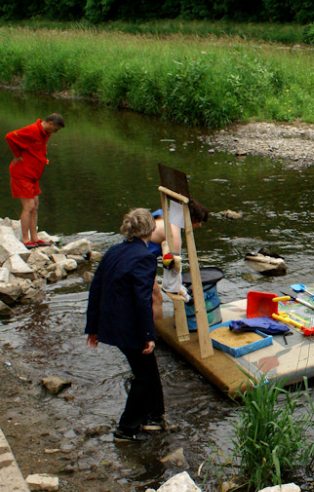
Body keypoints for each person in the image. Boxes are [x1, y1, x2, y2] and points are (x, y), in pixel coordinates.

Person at [85, 209, 167, 442]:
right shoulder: (145, 257)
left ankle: (154, 415)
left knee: (149, 370)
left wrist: (93, 328)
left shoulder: (114, 251)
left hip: (110, 322)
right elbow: (143, 299)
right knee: (144, 376)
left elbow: (96, 289)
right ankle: (126, 428)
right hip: (128, 326)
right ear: (151, 230)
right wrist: (148, 334)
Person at [5, 113, 65, 248]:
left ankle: (35, 237)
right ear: (50, 124)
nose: (55, 133)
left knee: (35, 205)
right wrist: (17, 155)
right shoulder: (32, 130)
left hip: (33, 175)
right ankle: (25, 240)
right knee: (29, 206)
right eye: (55, 129)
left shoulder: (44, 133)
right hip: (22, 174)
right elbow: (9, 137)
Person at [148, 199, 209, 321]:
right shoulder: (173, 234)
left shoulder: (164, 213)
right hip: (138, 261)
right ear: (190, 219)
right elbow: (173, 269)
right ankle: (157, 331)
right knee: (156, 299)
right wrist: (184, 294)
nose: (199, 225)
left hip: (134, 253)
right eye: (198, 221)